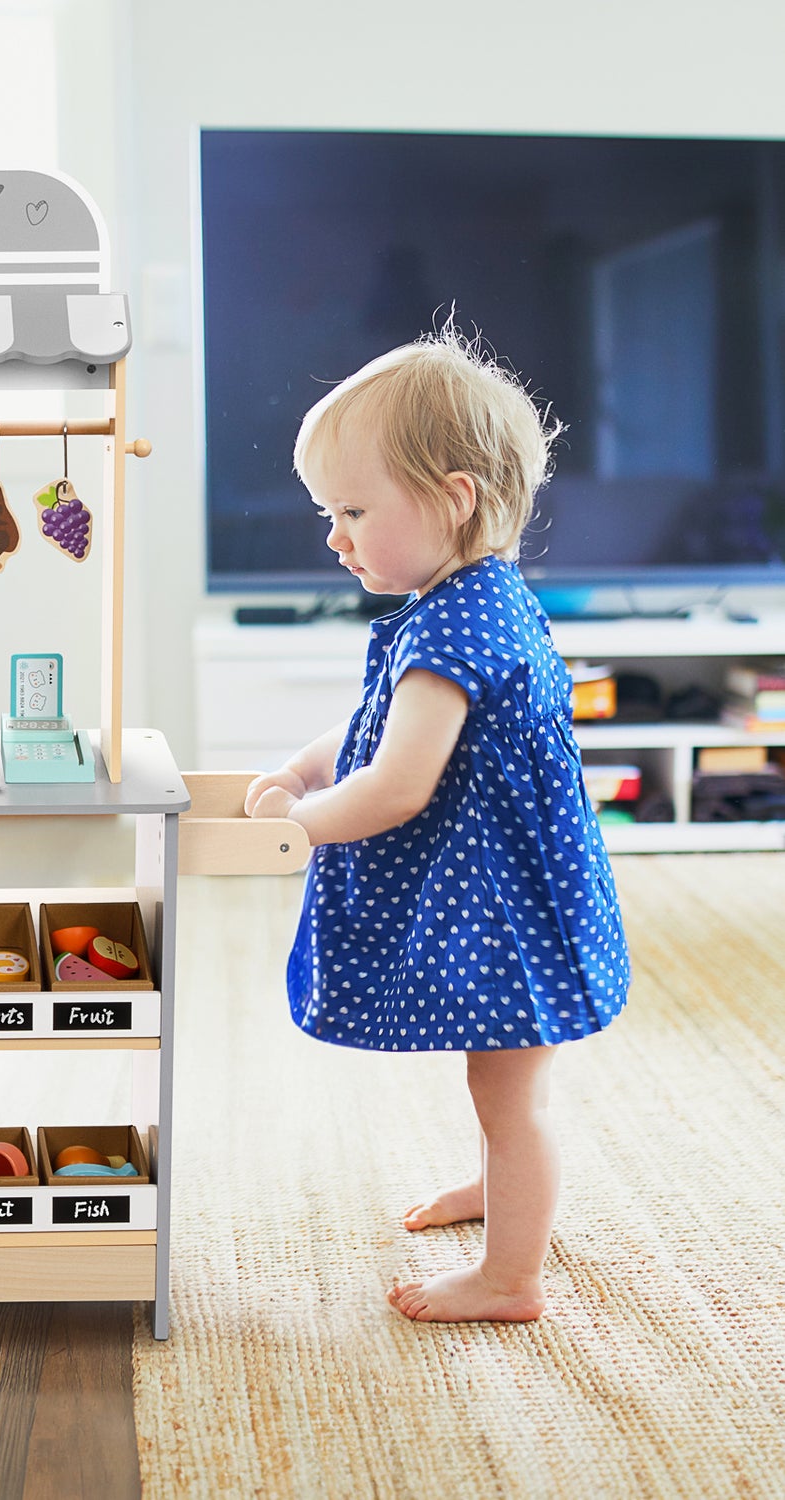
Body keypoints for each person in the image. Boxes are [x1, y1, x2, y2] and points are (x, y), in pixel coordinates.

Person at [244, 328, 629, 1323]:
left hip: (512, 908)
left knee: (512, 1102)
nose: (336, 535)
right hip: (511, 891)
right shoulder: (463, 601)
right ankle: (499, 1197)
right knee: (495, 1088)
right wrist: (304, 763)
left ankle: (512, 1278)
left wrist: (305, 822)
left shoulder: (460, 620)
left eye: (356, 510)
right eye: (331, 512)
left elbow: (402, 781)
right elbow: (387, 723)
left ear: (454, 498)